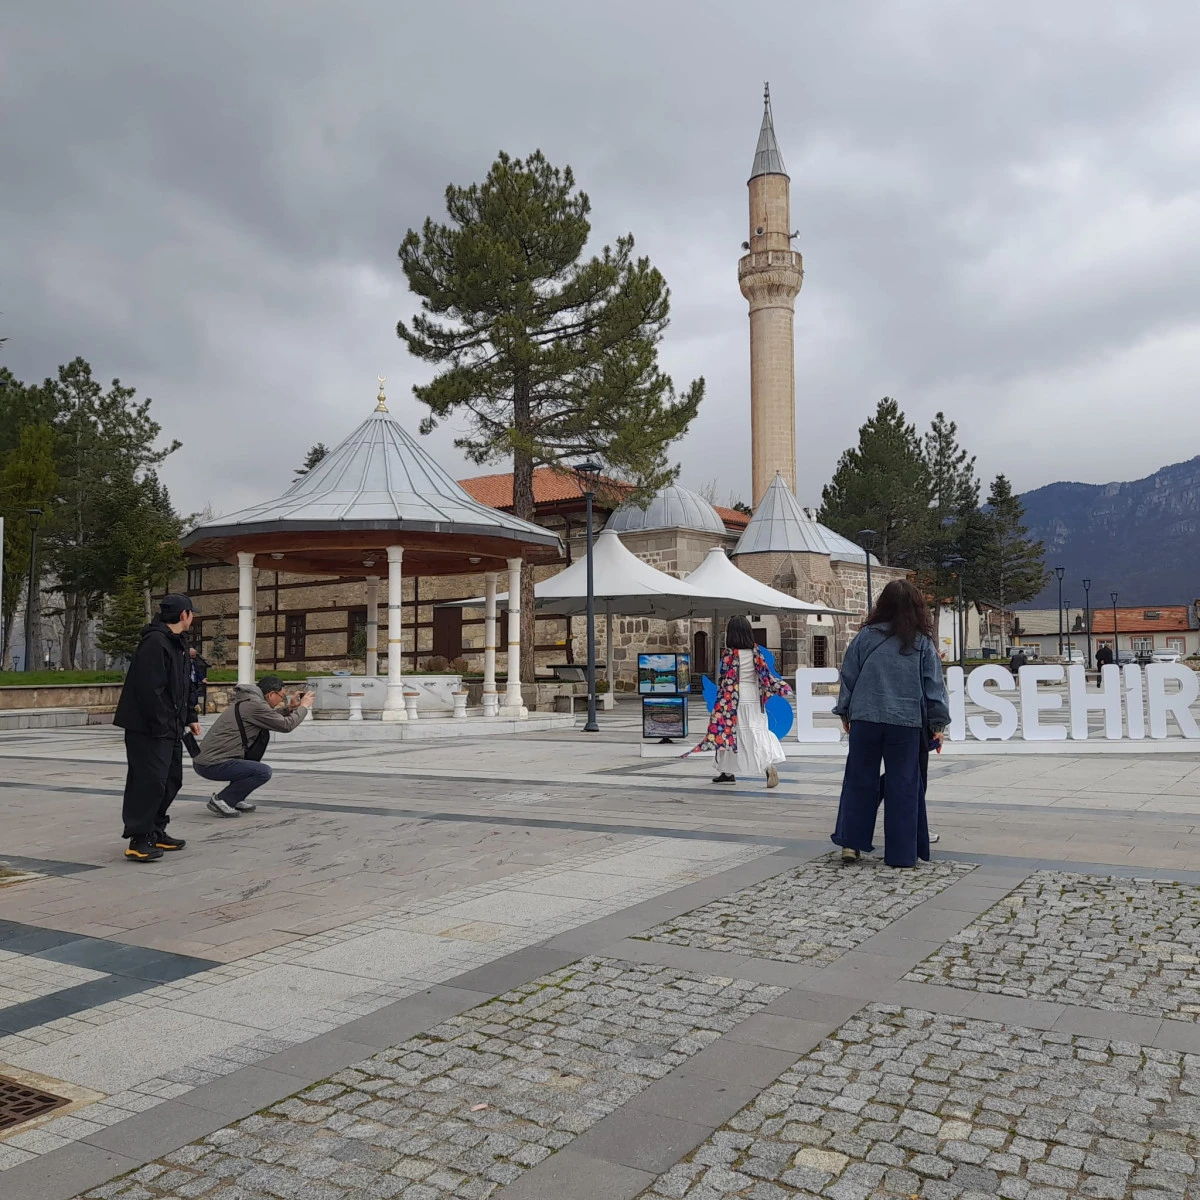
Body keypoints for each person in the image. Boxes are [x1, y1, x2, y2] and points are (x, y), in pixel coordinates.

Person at [832, 579, 950, 869]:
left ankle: (851, 842)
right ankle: (901, 854)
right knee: (904, 786)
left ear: (881, 604)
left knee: (860, 780)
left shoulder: (864, 637)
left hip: (865, 719)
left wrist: (846, 712)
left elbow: (849, 676)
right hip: (905, 722)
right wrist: (938, 724)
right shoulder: (921, 642)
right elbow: (934, 686)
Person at [113, 594, 200, 863]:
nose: (193, 618)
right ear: (184, 615)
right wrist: (163, 724)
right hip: (148, 729)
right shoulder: (155, 643)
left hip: (170, 726)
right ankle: (139, 839)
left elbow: (185, 684)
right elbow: (150, 690)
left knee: (172, 779)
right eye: (192, 614)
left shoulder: (179, 643)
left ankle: (155, 829)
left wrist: (189, 715)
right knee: (149, 781)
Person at [691, 615, 793, 789]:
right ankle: (768, 765)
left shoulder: (729, 655)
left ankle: (727, 771)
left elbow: (724, 679)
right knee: (757, 731)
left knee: (729, 733)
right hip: (753, 697)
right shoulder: (756, 652)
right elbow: (765, 676)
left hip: (734, 698)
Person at [193, 675, 313, 816]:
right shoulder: (255, 704)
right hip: (211, 764)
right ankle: (223, 800)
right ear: (271, 694)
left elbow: (269, 716)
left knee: (255, 756)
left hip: (208, 761)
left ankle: (236, 798)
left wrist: (290, 708)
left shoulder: (250, 701)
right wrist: (304, 706)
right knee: (262, 772)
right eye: (282, 696)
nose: (282, 700)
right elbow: (286, 725)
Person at [188, 646, 210, 715]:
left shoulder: (193, 662)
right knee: (190, 697)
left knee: (195, 696)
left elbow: (197, 671)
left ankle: (194, 709)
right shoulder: (185, 662)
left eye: (194, 655)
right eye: (192, 655)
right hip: (188, 682)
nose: (194, 657)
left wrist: (202, 678)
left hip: (194, 682)